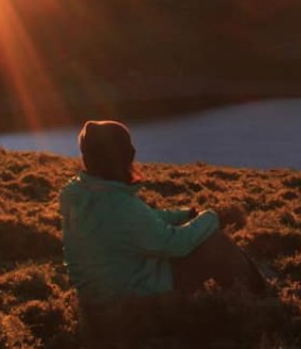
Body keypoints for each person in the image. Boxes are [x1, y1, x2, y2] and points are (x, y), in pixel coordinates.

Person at [59, 120, 267, 341]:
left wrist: (186, 215)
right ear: (121, 157)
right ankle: (261, 302)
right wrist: (211, 217)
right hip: (132, 306)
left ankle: (251, 289)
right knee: (215, 245)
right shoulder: (121, 206)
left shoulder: (79, 195)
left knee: (201, 236)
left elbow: (143, 222)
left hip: (98, 303)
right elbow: (175, 244)